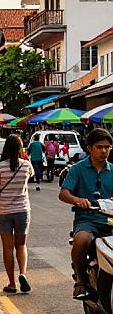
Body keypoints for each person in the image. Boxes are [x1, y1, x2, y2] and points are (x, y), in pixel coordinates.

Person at [59, 128, 113, 300]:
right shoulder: (77, 169)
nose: (104, 151)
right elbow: (64, 193)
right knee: (81, 240)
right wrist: (77, 200)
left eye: (107, 147)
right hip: (87, 220)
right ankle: (81, 281)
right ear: (90, 148)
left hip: (110, 221)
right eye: (99, 147)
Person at [0, 135, 34, 294]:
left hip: (4, 211)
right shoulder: (26, 165)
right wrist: (24, 156)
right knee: (21, 245)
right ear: (20, 148)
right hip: (22, 210)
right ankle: (22, 273)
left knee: (7, 248)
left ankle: (12, 283)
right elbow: (30, 178)